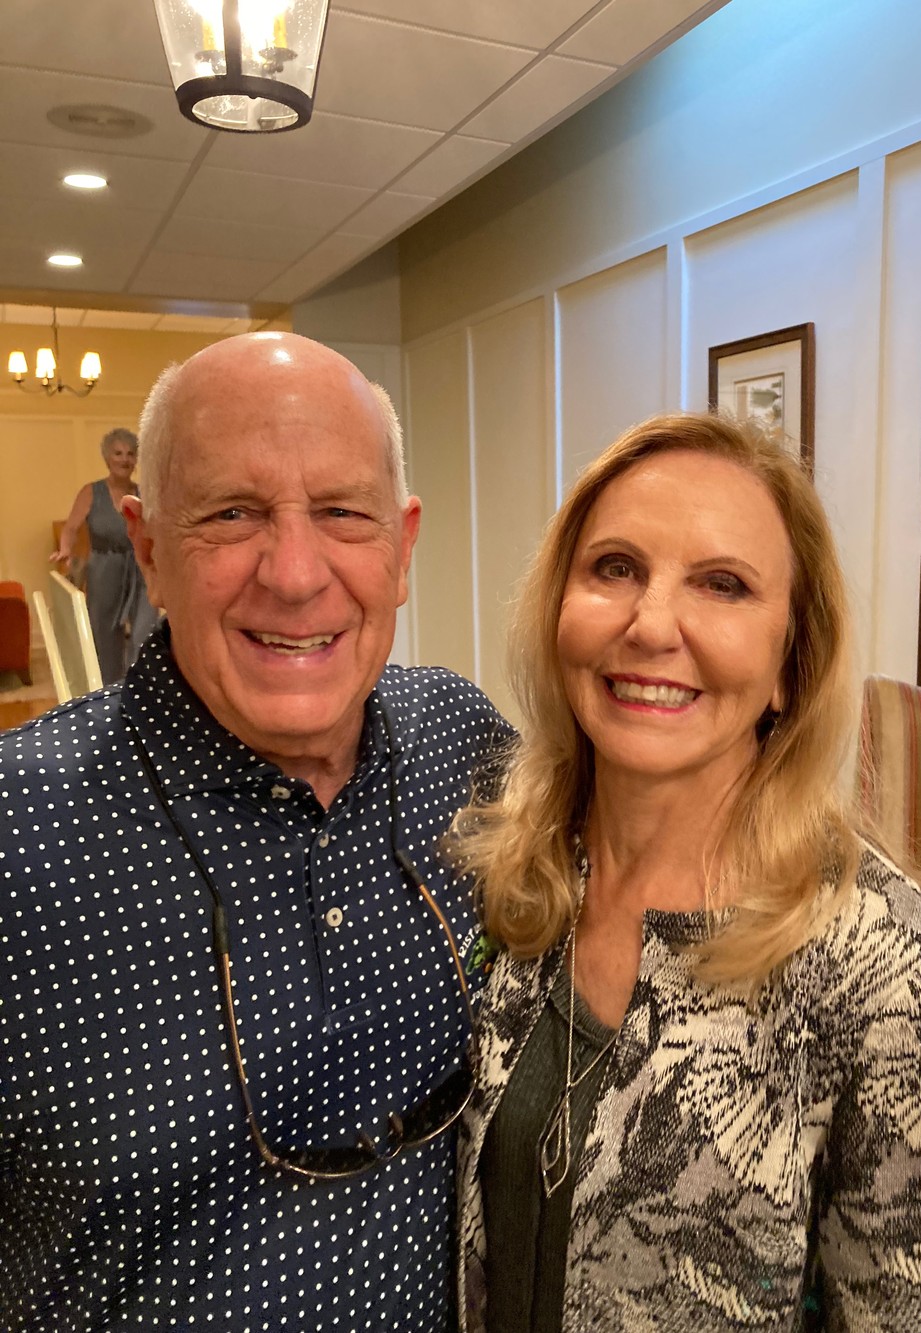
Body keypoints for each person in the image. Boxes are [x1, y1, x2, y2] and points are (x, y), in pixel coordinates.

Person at [0, 333, 511, 1330]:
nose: (294, 572)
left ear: (402, 546)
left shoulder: (465, 745)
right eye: (232, 513)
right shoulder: (22, 830)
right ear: (149, 548)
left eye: (342, 512)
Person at [450, 412, 921, 1332]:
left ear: (790, 662)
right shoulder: (511, 872)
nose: (650, 624)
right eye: (615, 567)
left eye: (723, 584)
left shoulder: (891, 963)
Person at [50, 426, 160, 682]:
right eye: (118, 453)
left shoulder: (145, 493)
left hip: (141, 568)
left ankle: (138, 687)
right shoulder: (91, 492)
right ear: (107, 458)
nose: (125, 459)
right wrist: (65, 549)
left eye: (130, 454)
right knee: (105, 636)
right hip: (104, 568)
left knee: (145, 632)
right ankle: (110, 690)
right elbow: (71, 528)